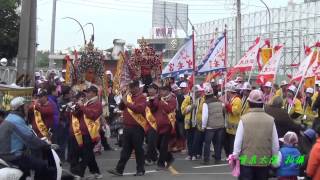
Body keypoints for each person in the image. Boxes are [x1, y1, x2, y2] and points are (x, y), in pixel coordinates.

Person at [0, 97, 56, 180]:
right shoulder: (16, 120)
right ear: (20, 108)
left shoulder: (10, 117)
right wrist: (46, 145)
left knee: (28, 170)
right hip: (13, 156)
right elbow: (29, 139)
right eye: (26, 107)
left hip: (6, 153)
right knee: (43, 166)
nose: (28, 109)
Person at [233, 90, 279, 180]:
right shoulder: (270, 120)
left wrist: (235, 156)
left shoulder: (244, 119)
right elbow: (275, 145)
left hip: (246, 161)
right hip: (264, 161)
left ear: (249, 103)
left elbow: (238, 142)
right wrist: (275, 161)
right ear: (263, 103)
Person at [108, 80, 147, 176]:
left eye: (134, 87)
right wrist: (123, 99)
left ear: (138, 87)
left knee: (138, 149)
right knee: (125, 150)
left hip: (137, 128)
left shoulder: (142, 97)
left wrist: (127, 103)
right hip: (127, 127)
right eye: (131, 87)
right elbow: (121, 107)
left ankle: (140, 170)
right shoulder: (128, 97)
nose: (132, 89)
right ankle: (119, 170)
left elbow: (139, 109)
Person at [69, 86, 103, 179]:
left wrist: (82, 106)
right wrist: (75, 108)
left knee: (86, 154)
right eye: (86, 92)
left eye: (88, 92)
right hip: (82, 133)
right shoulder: (86, 103)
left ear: (94, 93)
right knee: (88, 154)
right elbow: (77, 115)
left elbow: (92, 115)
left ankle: (79, 173)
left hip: (91, 133)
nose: (86, 94)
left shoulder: (97, 103)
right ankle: (96, 172)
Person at [152, 85, 176, 169]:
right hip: (158, 126)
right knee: (157, 144)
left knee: (163, 146)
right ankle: (169, 157)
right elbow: (154, 106)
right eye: (160, 91)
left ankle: (161, 163)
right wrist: (156, 99)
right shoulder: (159, 99)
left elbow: (169, 109)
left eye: (162, 91)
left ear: (167, 91)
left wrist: (161, 101)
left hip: (167, 126)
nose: (160, 92)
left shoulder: (172, 99)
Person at [201, 84, 225, 165]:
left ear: (205, 94)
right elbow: (223, 109)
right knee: (218, 143)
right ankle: (218, 158)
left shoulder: (205, 103)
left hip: (210, 126)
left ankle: (206, 159)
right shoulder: (219, 101)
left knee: (207, 143)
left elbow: (205, 116)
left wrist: (203, 126)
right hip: (220, 125)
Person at [224, 82, 242, 156]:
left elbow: (235, 111)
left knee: (232, 143)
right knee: (228, 142)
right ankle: (229, 155)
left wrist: (227, 105)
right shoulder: (232, 99)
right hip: (230, 127)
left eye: (227, 92)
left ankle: (232, 156)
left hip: (234, 127)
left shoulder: (237, 100)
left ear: (230, 92)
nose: (226, 94)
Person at [181, 82, 196, 160]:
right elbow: (182, 110)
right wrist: (190, 107)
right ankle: (190, 154)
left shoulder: (200, 99)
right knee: (190, 139)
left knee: (196, 139)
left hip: (197, 123)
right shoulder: (188, 98)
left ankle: (195, 154)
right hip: (189, 123)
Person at [145, 83, 159, 165]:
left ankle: (148, 158)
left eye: (151, 89)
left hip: (155, 123)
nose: (149, 90)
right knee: (150, 141)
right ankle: (155, 158)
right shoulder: (147, 98)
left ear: (156, 90)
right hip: (147, 123)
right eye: (148, 89)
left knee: (151, 141)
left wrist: (150, 101)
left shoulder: (158, 98)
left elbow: (155, 107)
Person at [190, 85, 206, 160]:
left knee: (198, 139)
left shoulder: (202, 100)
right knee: (195, 139)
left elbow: (202, 111)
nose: (195, 93)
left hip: (200, 122)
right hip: (193, 121)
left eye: (196, 92)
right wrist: (191, 106)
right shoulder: (192, 99)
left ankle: (196, 153)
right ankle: (195, 154)